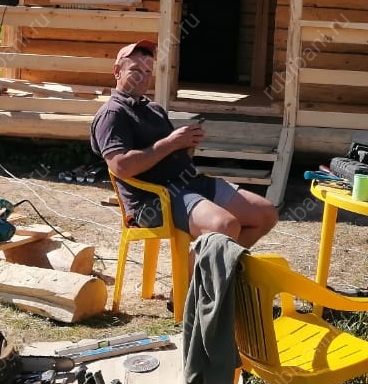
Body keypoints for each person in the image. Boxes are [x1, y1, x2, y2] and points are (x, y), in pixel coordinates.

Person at [90, 39, 277, 248]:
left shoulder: (153, 109)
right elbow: (121, 166)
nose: (143, 77)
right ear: (117, 71)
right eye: (135, 70)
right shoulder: (113, 114)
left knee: (265, 214)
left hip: (189, 184)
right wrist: (172, 143)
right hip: (154, 200)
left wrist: (186, 146)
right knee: (225, 226)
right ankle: (199, 269)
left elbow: (169, 152)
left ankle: (218, 264)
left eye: (148, 71)